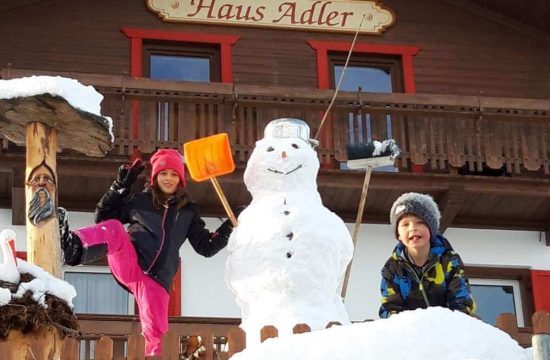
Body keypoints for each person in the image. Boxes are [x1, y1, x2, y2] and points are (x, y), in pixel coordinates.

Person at [58, 149, 235, 356]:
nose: (168, 179)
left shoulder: (188, 211)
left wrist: (230, 225)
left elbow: (206, 247)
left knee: (156, 330)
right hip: (131, 263)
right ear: (155, 177)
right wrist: (121, 185)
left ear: (181, 179)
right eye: (163, 173)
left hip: (157, 279)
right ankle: (73, 247)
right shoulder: (141, 200)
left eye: (174, 174)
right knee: (114, 227)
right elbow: (103, 216)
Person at [379, 192, 476, 318]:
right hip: (409, 331)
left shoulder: (449, 261)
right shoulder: (392, 269)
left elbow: (461, 301)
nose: (413, 228)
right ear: (398, 235)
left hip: (448, 328)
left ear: (432, 228)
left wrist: (453, 325)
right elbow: (390, 306)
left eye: (419, 222)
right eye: (405, 224)